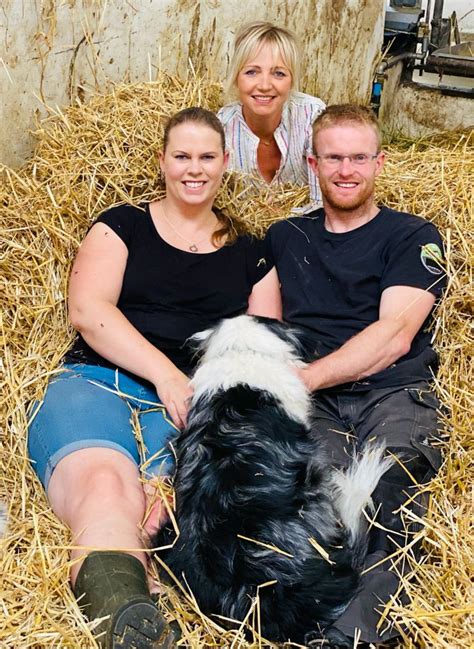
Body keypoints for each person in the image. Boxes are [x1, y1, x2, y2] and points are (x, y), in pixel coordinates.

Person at [27, 107, 280, 649]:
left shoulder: (252, 254)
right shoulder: (123, 226)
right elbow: (89, 310)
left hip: (197, 406)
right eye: (182, 156)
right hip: (99, 384)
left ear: (224, 162)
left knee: (174, 507)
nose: (194, 168)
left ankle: (139, 595)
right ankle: (126, 610)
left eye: (207, 156)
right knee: (105, 487)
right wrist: (167, 376)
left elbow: (263, 350)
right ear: (163, 161)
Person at [265, 104, 447, 647]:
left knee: (392, 496)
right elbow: (265, 324)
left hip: (391, 391)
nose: (347, 170)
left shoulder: (412, 235)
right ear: (312, 162)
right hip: (313, 403)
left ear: (380, 162)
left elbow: (394, 335)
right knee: (316, 504)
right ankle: (316, 624)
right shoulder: (285, 236)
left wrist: (305, 379)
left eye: (359, 157)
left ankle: (347, 636)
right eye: (334, 157)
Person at [217, 21, 325, 210]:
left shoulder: (312, 116)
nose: (265, 85)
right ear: (236, 78)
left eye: (279, 73)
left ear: (292, 81)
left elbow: (321, 204)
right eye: (252, 72)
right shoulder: (222, 129)